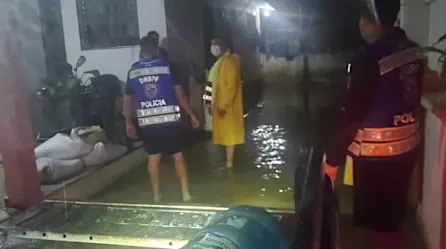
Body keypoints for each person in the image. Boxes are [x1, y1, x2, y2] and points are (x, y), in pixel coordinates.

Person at [323, 1, 424, 249]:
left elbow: (354, 115)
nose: (360, 26)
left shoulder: (368, 58)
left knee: (377, 224)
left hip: (375, 158)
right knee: (392, 220)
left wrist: (333, 160)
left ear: (377, 21)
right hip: (407, 151)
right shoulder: (414, 51)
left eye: (364, 20)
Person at [123, 35, 199, 202]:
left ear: (141, 51)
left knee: (153, 157)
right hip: (169, 120)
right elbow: (180, 96)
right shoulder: (168, 67)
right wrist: (192, 115)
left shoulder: (134, 71)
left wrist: (128, 122)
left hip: (148, 124)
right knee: (177, 155)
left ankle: (156, 195)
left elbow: (127, 99)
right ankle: (185, 194)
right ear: (156, 48)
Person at [206, 37, 245, 169]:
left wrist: (223, 105)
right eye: (212, 45)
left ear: (225, 46)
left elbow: (231, 86)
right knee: (226, 134)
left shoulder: (228, 61)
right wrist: (208, 102)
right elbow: (212, 83)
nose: (213, 47)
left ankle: (229, 163)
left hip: (225, 106)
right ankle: (228, 162)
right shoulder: (222, 62)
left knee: (229, 135)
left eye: (216, 45)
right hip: (221, 105)